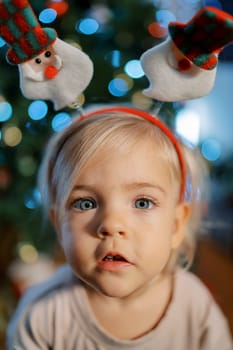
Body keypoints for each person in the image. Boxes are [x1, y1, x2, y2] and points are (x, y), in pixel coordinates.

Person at [7, 107, 233, 350]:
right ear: (59, 225)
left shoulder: (195, 307)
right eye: (85, 203)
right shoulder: (41, 314)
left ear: (176, 226)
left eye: (142, 202)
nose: (111, 225)